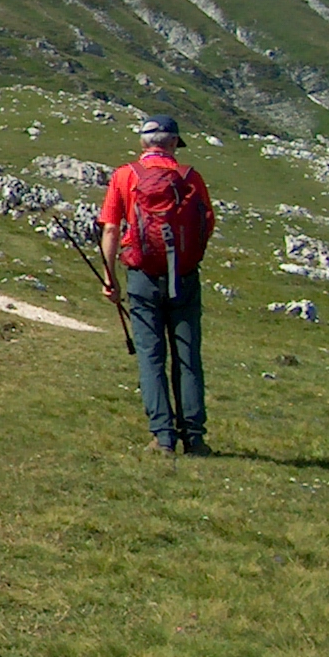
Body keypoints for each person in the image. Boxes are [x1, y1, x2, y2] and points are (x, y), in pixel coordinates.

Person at [100, 115, 215, 456]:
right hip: (184, 276)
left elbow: (110, 230)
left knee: (151, 357)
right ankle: (194, 437)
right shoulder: (191, 177)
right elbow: (206, 224)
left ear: (143, 143)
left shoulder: (125, 176)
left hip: (142, 277)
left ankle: (163, 437)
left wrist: (110, 279)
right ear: (174, 144)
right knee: (187, 356)